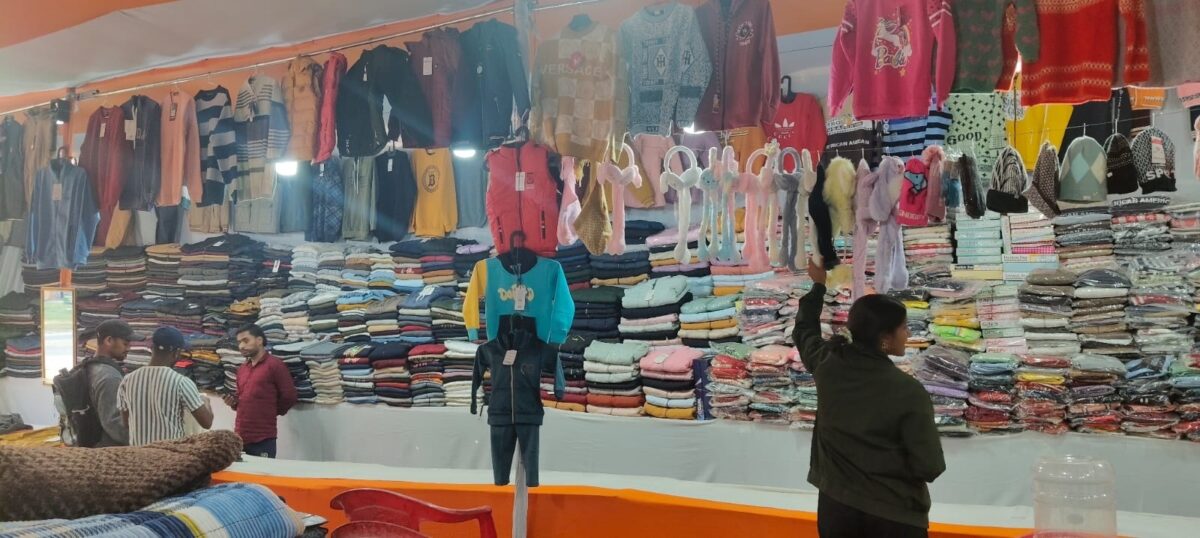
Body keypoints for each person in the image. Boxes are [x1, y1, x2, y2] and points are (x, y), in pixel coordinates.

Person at [794, 260, 945, 538]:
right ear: (885, 338)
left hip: (836, 508)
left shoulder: (829, 364)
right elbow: (930, 466)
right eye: (904, 328)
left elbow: (804, 331)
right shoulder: (907, 391)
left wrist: (818, 287)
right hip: (893, 513)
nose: (908, 334)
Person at [117, 327, 213, 446]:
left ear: (152, 348)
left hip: (139, 454)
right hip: (169, 454)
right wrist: (206, 403)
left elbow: (126, 423)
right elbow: (207, 423)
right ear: (176, 353)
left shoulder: (127, 381)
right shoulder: (181, 382)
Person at [223, 324, 297, 458]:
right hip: (240, 436)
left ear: (259, 340)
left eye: (246, 340)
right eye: (239, 342)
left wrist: (271, 411)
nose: (241, 346)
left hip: (263, 438)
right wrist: (233, 403)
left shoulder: (275, 365)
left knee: (263, 471)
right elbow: (242, 398)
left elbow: (289, 396)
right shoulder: (242, 369)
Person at [89, 319, 132, 447]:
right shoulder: (109, 377)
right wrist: (140, 440)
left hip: (91, 445)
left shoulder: (89, 366)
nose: (129, 348)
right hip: (108, 449)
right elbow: (114, 423)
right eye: (125, 343)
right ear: (108, 341)